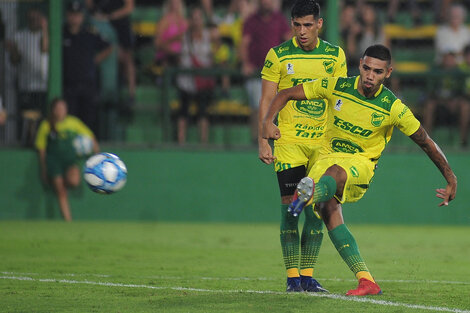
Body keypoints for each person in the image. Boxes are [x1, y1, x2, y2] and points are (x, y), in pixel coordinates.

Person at [262, 44, 457, 295]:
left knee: (333, 174)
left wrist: (451, 178)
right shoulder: (337, 86)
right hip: (325, 159)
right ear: (360, 65)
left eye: (377, 72)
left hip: (360, 164)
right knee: (329, 210)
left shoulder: (392, 107)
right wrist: (268, 121)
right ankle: (366, 279)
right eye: (366, 68)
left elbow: (425, 141)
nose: (369, 76)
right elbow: (285, 93)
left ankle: (309, 194)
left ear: (388, 73)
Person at [259, 0, 347, 292]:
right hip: (289, 144)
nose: (302, 31)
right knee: (290, 211)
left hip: (322, 145)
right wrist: (263, 137)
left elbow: (341, 102)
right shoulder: (278, 55)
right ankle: (292, 278)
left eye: (308, 25)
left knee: (316, 209)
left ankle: (307, 276)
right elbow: (267, 99)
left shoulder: (335, 56)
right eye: (297, 25)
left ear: (319, 24)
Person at [35, 98, 99, 222]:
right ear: (53, 110)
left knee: (74, 182)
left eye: (63, 108)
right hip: (54, 162)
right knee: (61, 192)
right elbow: (41, 148)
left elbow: (90, 137)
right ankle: (68, 220)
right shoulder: (46, 125)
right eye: (58, 108)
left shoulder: (73, 122)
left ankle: (65, 183)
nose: (61, 111)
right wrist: (43, 168)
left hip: (70, 161)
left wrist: (98, 155)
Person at [241, 0, 291, 143]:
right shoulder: (251, 20)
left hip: (277, 74)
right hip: (257, 74)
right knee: (258, 108)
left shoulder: (279, 19)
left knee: (279, 107)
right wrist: (245, 63)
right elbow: (244, 43)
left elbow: (289, 40)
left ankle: (277, 141)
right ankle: (257, 141)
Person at [63, 0, 112, 137]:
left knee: (88, 121)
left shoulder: (89, 33)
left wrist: (94, 60)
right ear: (67, 15)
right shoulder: (62, 33)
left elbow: (108, 46)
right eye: (72, 14)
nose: (74, 18)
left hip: (87, 85)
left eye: (77, 14)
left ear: (82, 16)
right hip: (68, 86)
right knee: (69, 121)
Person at [6, 8, 49, 143]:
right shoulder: (20, 36)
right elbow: (14, 61)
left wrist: (45, 28)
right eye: (32, 18)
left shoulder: (46, 34)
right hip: (26, 85)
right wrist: (12, 49)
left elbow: (44, 49)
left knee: (42, 118)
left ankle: (40, 142)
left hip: (44, 85)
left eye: (37, 18)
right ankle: (27, 142)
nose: (34, 21)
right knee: (27, 118)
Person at [175, 6, 215, 145]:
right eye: (194, 18)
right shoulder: (184, 37)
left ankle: (203, 143)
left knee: (203, 112)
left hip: (202, 80)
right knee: (183, 111)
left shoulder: (208, 36)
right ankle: (181, 142)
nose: (197, 21)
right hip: (186, 81)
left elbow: (213, 55)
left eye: (199, 18)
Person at [86, 0, 136, 106]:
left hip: (120, 24)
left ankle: (131, 94)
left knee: (127, 59)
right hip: (102, 24)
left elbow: (129, 7)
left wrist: (110, 16)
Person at [423, 51, 470, 147]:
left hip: (454, 102)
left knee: (465, 106)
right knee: (429, 105)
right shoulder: (435, 71)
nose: (449, 61)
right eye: (446, 58)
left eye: (451, 59)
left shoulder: (459, 72)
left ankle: (463, 140)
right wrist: (441, 100)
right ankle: (426, 141)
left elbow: (462, 92)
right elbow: (430, 91)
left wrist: (455, 100)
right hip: (438, 102)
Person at [154, 0, 188, 71]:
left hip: (182, 55)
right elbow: (157, 43)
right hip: (167, 55)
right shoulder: (164, 21)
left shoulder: (184, 21)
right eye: (173, 2)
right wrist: (174, 39)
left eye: (177, 2)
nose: (175, 4)